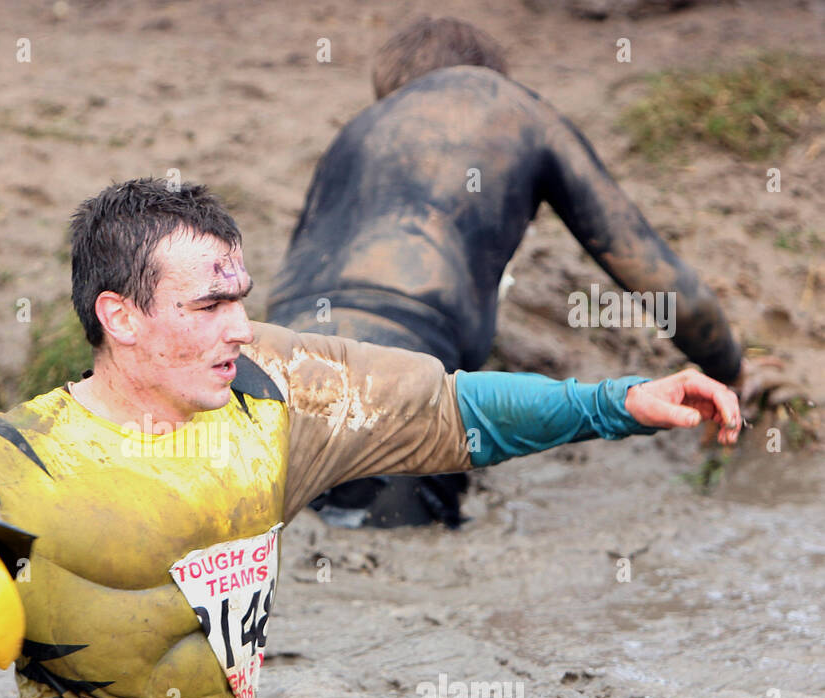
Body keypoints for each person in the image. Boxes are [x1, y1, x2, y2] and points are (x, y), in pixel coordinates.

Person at [0, 178, 742, 698]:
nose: (239, 327)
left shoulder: (275, 393)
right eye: (207, 305)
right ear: (120, 316)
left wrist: (620, 400)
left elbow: (456, 411)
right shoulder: (3, 464)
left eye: (241, 299)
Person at [267, 17, 764, 528]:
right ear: (492, 76)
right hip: (396, 385)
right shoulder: (518, 113)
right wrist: (729, 372)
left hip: (274, 374)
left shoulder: (355, 134)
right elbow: (663, 283)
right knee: (401, 546)